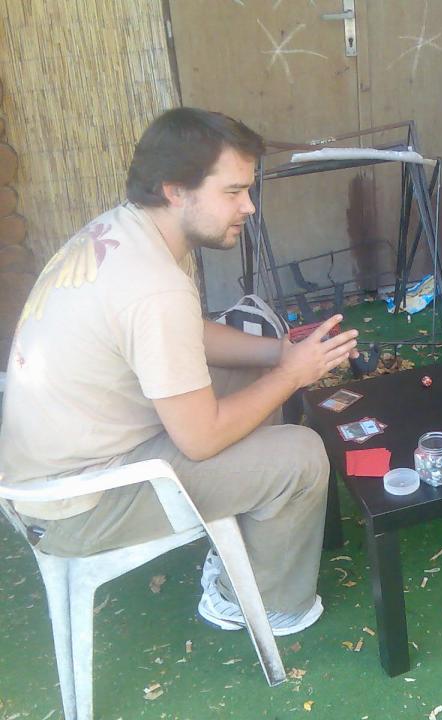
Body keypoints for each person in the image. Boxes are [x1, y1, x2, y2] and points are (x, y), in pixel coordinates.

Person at [0, 107, 359, 635]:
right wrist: (292, 375)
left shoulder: (129, 229)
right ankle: (257, 601)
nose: (249, 206)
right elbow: (200, 438)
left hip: (62, 460)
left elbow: (186, 332)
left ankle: (247, 528)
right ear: (176, 191)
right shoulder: (153, 286)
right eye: (233, 192)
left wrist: (278, 354)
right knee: (301, 456)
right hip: (75, 504)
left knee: (255, 380)